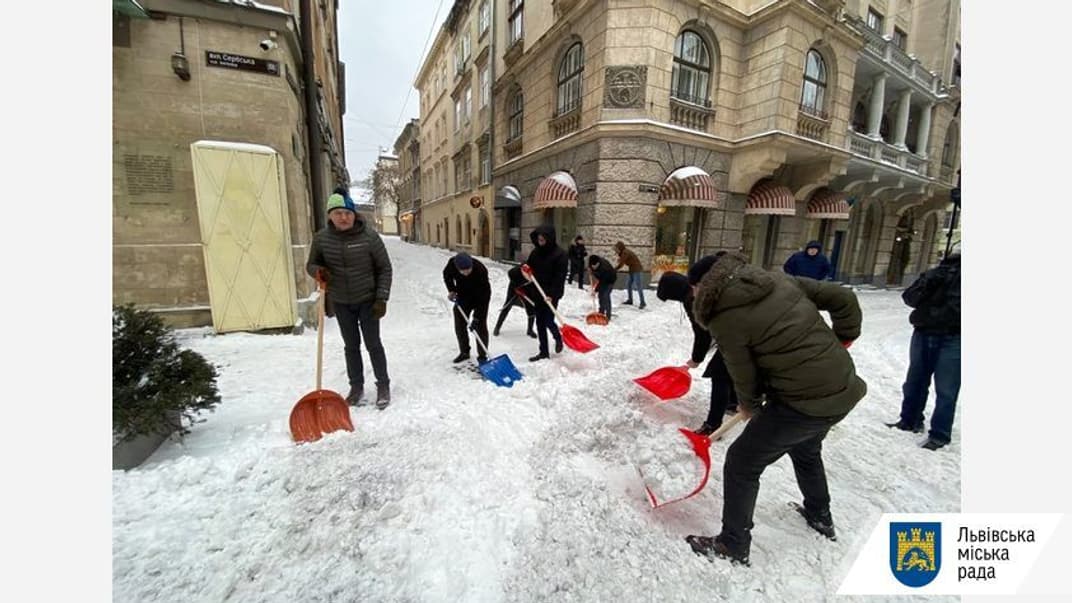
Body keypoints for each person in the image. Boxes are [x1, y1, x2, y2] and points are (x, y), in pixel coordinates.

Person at [684, 251, 865, 566]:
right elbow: (843, 297)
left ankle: (733, 544)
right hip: (843, 386)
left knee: (742, 462)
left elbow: (742, 372)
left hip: (803, 401)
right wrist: (844, 338)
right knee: (806, 449)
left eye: (694, 288)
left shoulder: (724, 316)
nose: (693, 294)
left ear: (706, 285)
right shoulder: (778, 280)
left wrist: (751, 406)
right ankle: (819, 513)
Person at [306, 192, 393, 409]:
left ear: (354, 215)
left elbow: (385, 268)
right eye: (338, 213)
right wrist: (319, 272)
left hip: (368, 300)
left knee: (373, 344)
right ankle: (356, 387)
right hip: (341, 301)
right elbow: (311, 264)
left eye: (347, 213)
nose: (343, 218)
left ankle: (383, 385)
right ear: (330, 216)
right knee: (351, 346)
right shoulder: (321, 239)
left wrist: (381, 298)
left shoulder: (369, 237)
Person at [886, 243, 961, 450]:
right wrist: (928, 282)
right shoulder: (935, 275)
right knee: (915, 381)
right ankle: (909, 420)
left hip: (954, 337)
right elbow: (909, 298)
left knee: (946, 388)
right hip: (924, 331)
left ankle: (940, 434)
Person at [655, 263, 738, 436]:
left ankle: (713, 426)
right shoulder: (698, 287)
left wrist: (696, 358)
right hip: (738, 332)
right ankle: (732, 402)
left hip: (737, 335)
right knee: (729, 370)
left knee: (720, 374)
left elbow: (702, 334)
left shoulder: (691, 298)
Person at [524, 225, 567, 362]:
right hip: (537, 292)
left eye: (543, 240)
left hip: (551, 294)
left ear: (549, 239)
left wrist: (553, 295)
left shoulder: (560, 254)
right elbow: (529, 266)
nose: (540, 242)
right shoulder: (536, 252)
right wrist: (526, 269)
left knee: (548, 320)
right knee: (540, 323)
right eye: (539, 240)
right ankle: (543, 352)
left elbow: (560, 277)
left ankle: (558, 337)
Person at [443, 252, 492, 364]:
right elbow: (447, 276)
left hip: (480, 297)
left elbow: (484, 297)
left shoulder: (480, 269)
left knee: (480, 326)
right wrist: (452, 290)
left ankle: (482, 355)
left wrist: (476, 318)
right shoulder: (452, 264)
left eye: (468, 269)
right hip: (463, 296)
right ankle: (464, 352)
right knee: (459, 324)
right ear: (457, 268)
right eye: (463, 270)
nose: (466, 272)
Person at [493, 265, 538, 339]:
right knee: (507, 306)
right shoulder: (520, 269)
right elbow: (510, 273)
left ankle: (530, 330)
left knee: (531, 308)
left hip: (528, 289)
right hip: (514, 288)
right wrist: (516, 286)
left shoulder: (539, 269)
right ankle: (497, 327)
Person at [614, 241, 646, 309]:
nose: (616, 251)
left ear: (620, 248)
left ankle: (643, 302)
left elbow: (621, 264)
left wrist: (615, 269)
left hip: (637, 270)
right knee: (629, 285)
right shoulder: (623, 253)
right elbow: (623, 260)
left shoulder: (625, 252)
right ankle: (630, 300)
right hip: (632, 269)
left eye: (617, 249)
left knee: (638, 286)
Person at [587, 254, 617, 322]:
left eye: (594, 266)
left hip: (610, 280)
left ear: (598, 263)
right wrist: (590, 270)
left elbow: (602, 282)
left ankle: (608, 315)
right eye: (592, 266)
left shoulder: (604, 268)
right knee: (600, 295)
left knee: (606, 296)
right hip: (602, 279)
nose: (593, 267)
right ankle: (601, 311)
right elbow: (590, 267)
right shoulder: (592, 262)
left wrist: (595, 290)